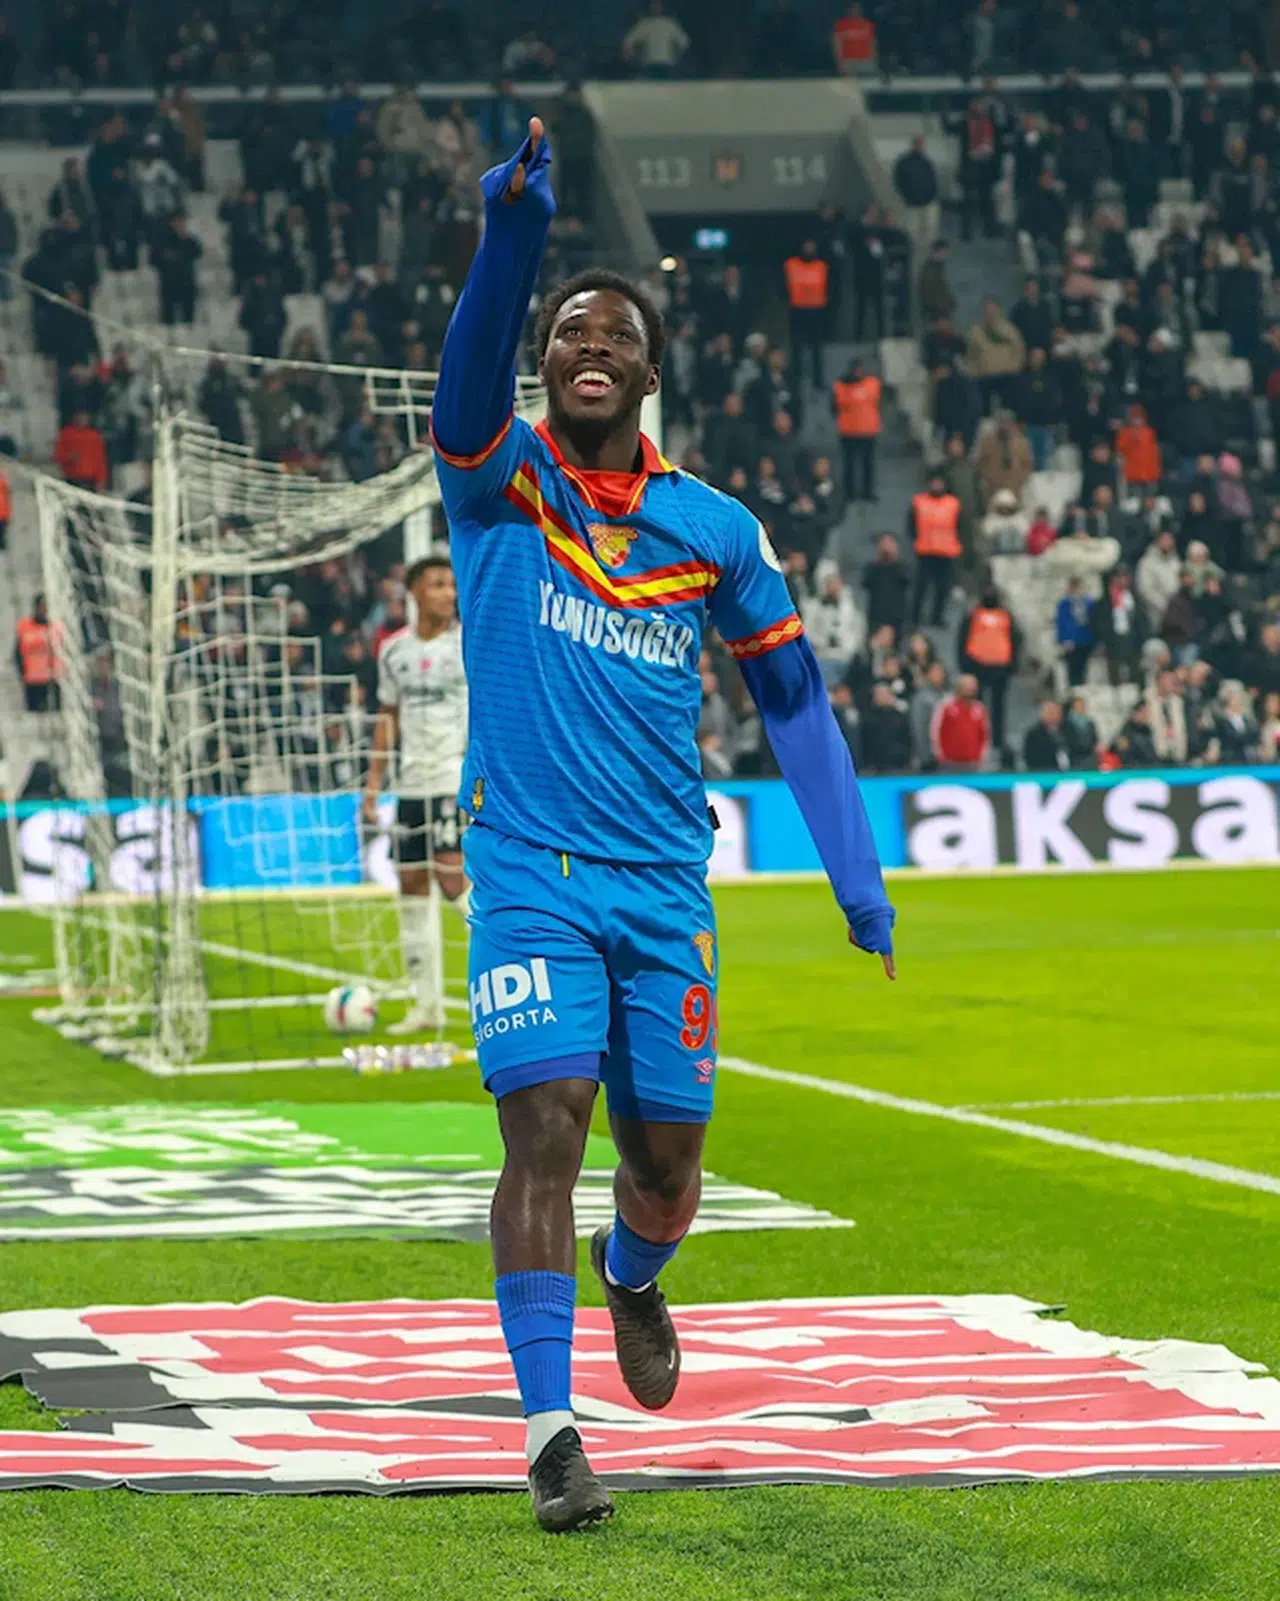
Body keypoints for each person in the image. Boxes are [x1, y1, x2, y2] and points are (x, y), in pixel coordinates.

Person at [429, 118, 895, 1533]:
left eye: (614, 333)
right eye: (568, 328)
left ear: (647, 372)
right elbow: (466, 374)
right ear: (543, 361)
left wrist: (857, 880)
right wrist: (513, 238)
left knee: (665, 1168)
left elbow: (795, 702)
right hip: (527, 866)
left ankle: (632, 1274)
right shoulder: (496, 478)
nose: (589, 342)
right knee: (544, 1134)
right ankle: (551, 1435)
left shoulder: (717, 530)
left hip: (660, 884)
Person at [362, 557, 470, 1034]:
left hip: (453, 778)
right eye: (437, 585)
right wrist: (373, 786)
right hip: (410, 785)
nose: (449, 593)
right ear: (415, 593)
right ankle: (426, 1006)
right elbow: (387, 717)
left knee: (452, 878)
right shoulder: (394, 651)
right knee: (410, 886)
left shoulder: (467, 644)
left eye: (451, 585)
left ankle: (500, 982)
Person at [958, 586, 1019, 752]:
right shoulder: (973, 615)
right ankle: (976, 737)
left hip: (1000, 666)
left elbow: (1015, 639)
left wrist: (1012, 665)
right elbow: (963, 639)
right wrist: (965, 665)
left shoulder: (1005, 616)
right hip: (977, 664)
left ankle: (997, 739)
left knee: (998, 706)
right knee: (976, 705)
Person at [908, 473, 962, 626]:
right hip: (925, 550)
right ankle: (915, 616)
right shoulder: (919, 502)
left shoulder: (953, 504)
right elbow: (911, 523)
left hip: (946, 551)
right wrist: (915, 538)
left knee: (942, 588)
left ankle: (936, 617)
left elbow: (960, 525)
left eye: (939, 483)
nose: (937, 486)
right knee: (921, 587)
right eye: (934, 483)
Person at [783, 239, 830, 391]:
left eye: (811, 247)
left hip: (816, 310)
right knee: (797, 347)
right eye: (806, 246)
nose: (809, 249)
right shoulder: (791, 264)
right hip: (798, 309)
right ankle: (796, 379)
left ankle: (818, 380)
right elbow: (782, 285)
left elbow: (830, 287)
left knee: (817, 348)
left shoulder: (821, 266)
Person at [831, 358, 881, 502]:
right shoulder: (840, 386)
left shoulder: (872, 383)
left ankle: (867, 491)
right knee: (849, 464)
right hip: (848, 430)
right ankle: (849, 493)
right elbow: (834, 407)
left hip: (868, 430)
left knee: (867, 464)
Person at [893, 135, 940, 264]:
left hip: (927, 202)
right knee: (913, 231)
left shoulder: (926, 162)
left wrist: (932, 195)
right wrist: (907, 197)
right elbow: (899, 182)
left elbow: (933, 180)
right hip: (912, 203)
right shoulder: (904, 163)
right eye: (919, 144)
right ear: (913, 144)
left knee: (929, 230)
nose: (921, 146)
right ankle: (915, 254)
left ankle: (927, 254)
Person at [931, 673, 990, 770]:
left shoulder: (980, 709)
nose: (970, 689)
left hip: (973, 762)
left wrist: (981, 756)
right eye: (967, 686)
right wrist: (940, 755)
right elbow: (936, 731)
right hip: (949, 762)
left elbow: (985, 735)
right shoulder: (946, 706)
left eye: (972, 686)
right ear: (959, 687)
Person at [14, 594, 58, 713]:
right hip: (32, 679)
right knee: (34, 713)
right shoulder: (25, 626)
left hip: (51, 678)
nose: (43, 610)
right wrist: (22, 670)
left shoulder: (54, 627)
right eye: (41, 606)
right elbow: (18, 650)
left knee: (55, 713)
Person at [1055, 576, 1095, 688]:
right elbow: (1061, 622)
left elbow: (1094, 622)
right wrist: (1064, 640)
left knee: (1085, 668)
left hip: (1086, 640)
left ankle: (1083, 690)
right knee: (1072, 669)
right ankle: (1073, 690)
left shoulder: (1089, 603)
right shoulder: (1064, 604)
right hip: (1071, 642)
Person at [1023, 699, 1068, 771]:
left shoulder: (1069, 730)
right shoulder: (1034, 734)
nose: (1053, 715)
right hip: (1044, 771)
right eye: (1050, 712)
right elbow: (1030, 757)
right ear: (1043, 714)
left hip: (1070, 772)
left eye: (1056, 712)